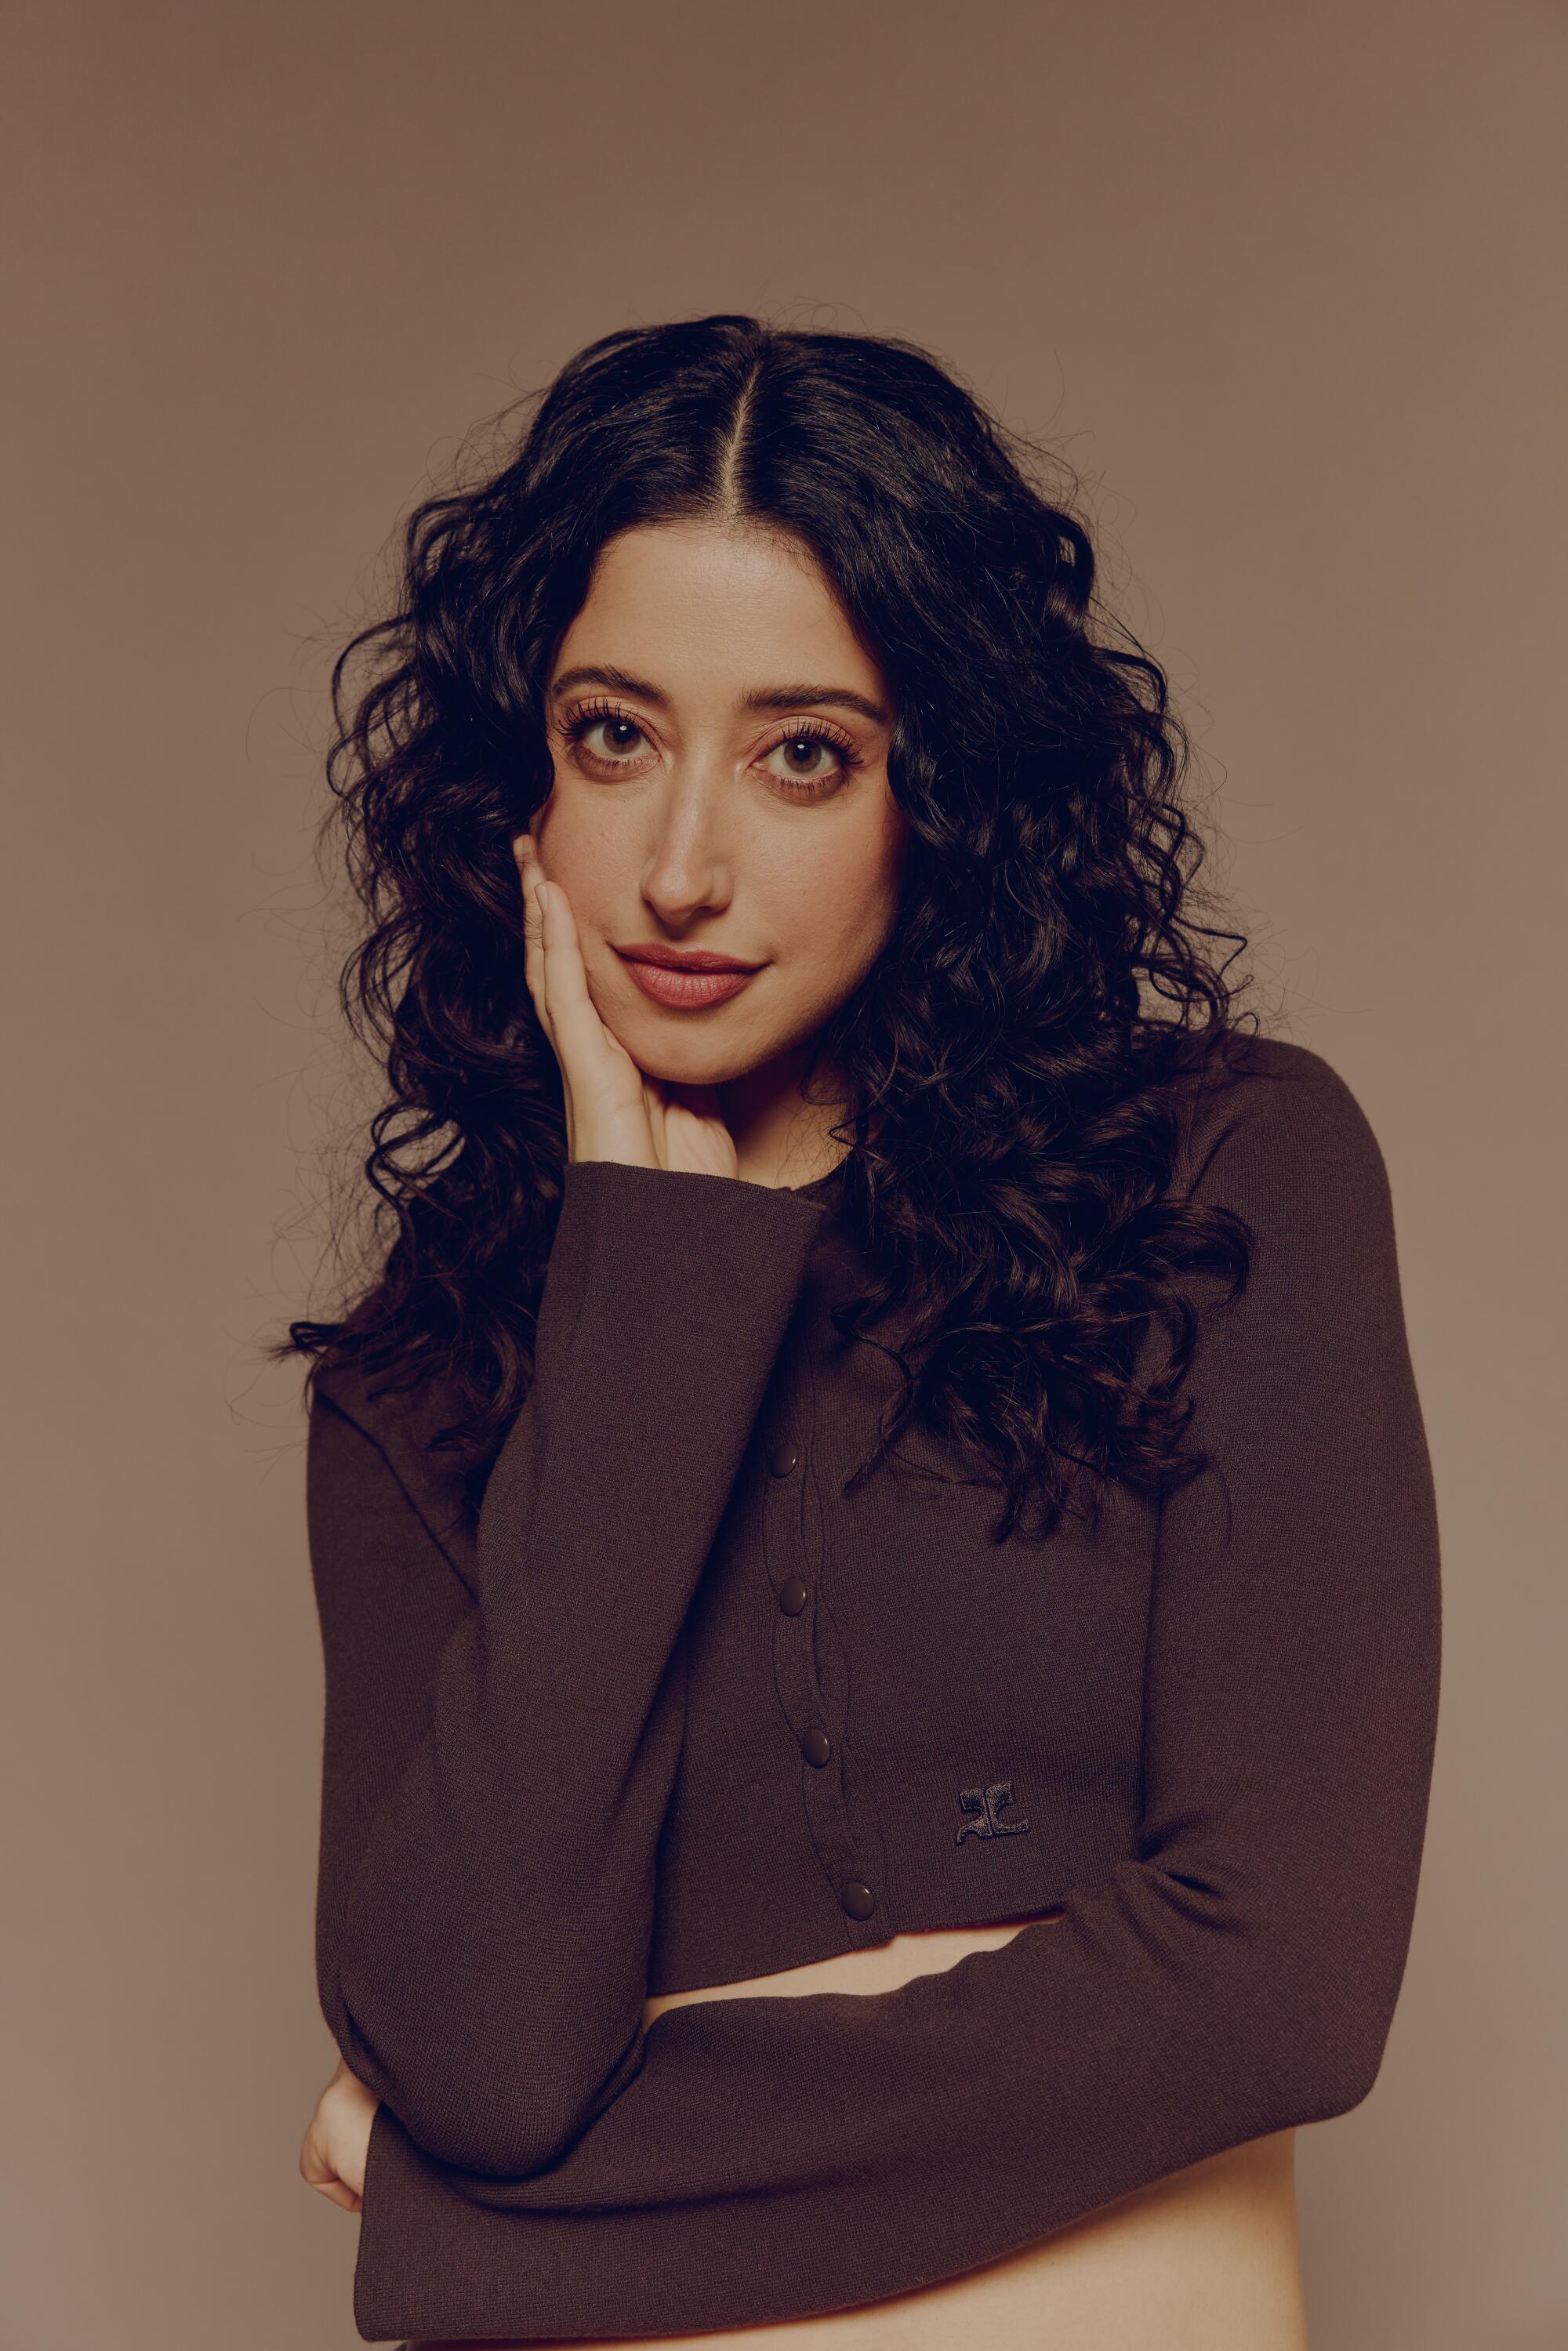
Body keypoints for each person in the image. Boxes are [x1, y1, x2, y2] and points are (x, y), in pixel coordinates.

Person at [282, 315, 1441, 2349]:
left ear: (945, 793)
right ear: (513, 783)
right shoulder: (424, 1373)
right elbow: (482, 2046)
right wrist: (641, 1278)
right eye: (613, 735)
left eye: (803, 752)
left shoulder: (1227, 1183)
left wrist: (447, 2219)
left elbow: (1281, 1981)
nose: (684, 866)